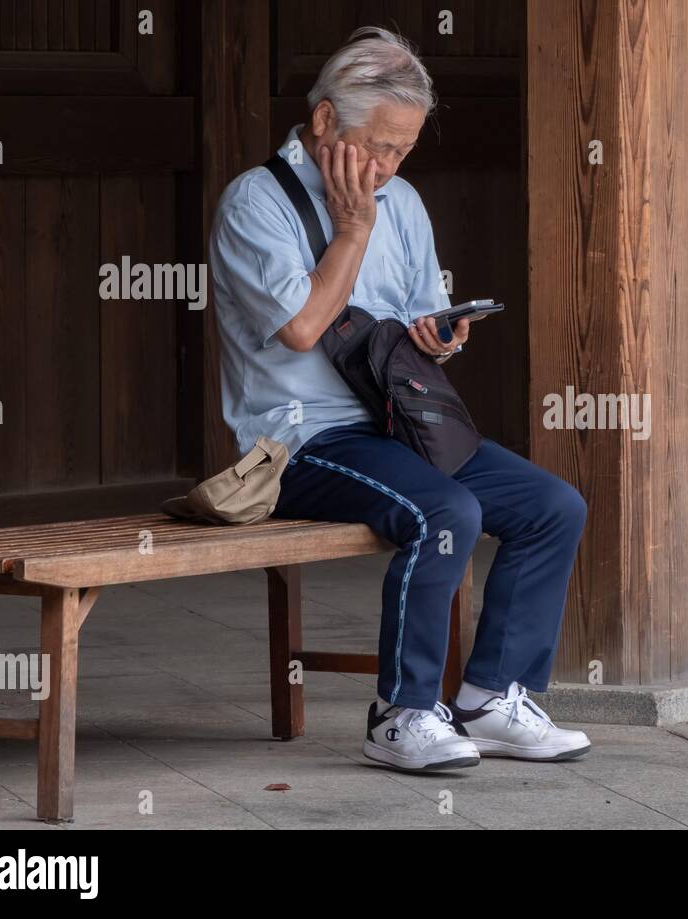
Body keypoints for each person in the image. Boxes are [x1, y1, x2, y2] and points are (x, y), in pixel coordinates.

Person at [209, 26, 590, 772]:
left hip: (398, 426)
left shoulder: (404, 201)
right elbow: (303, 327)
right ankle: (403, 712)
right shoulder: (257, 202)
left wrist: (441, 336)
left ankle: (489, 696)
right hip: (301, 442)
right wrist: (351, 230)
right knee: (446, 511)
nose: (385, 168)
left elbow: (422, 317)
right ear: (323, 120)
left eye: (403, 152)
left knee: (554, 507)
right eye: (375, 146)